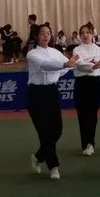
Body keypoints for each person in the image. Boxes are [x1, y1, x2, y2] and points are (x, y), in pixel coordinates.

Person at [27, 25, 79, 180]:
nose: (46, 36)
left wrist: (90, 65)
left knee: (57, 131)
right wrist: (65, 65)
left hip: (52, 92)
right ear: (36, 36)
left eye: (48, 33)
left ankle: (38, 157)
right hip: (36, 94)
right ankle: (53, 166)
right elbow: (44, 66)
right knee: (44, 131)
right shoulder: (32, 54)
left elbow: (70, 64)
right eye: (42, 33)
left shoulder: (55, 52)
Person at [72, 24, 100, 156]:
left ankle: (90, 143)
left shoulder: (98, 49)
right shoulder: (77, 49)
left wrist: (92, 65)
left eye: (88, 32)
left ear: (92, 34)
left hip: (94, 83)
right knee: (82, 114)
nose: (85, 35)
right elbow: (79, 65)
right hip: (81, 83)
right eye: (82, 33)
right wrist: (92, 65)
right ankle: (85, 143)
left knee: (92, 114)